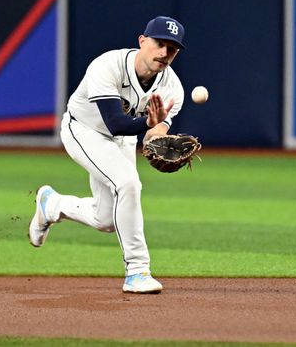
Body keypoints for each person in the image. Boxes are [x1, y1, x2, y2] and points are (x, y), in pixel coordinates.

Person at [28, 16, 187, 294]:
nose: (163, 53)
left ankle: (51, 205)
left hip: (122, 140)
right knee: (128, 183)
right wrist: (148, 125)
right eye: (159, 43)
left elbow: (153, 134)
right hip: (84, 130)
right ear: (142, 41)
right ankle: (138, 271)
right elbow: (115, 122)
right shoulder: (107, 66)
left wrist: (159, 142)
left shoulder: (172, 88)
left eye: (171, 49)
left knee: (105, 219)